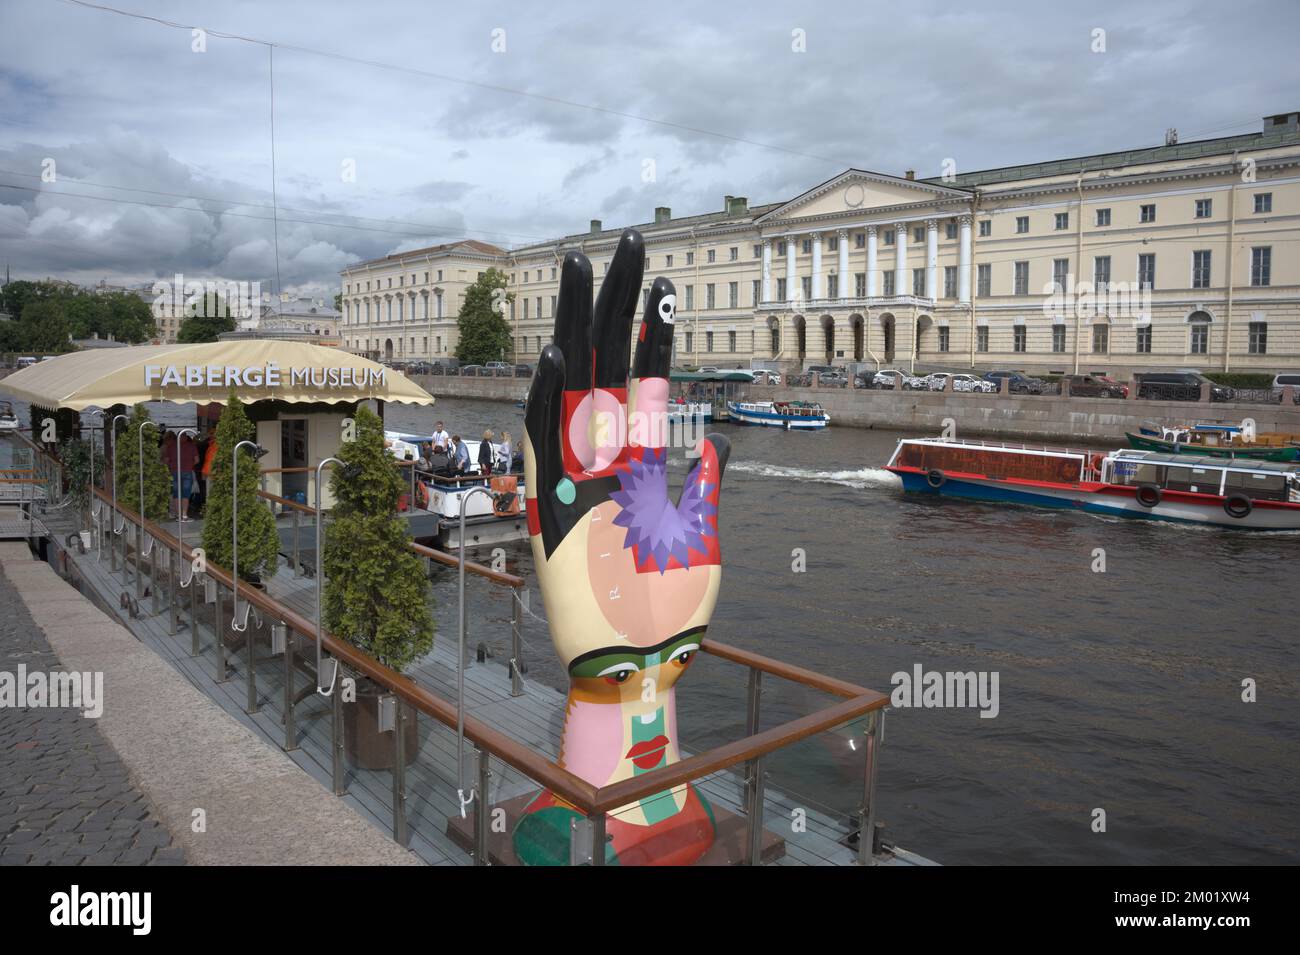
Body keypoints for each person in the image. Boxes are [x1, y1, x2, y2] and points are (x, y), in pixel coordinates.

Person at [163, 430, 200, 522]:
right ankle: (184, 515)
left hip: (174, 472)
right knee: (186, 494)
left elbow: (166, 460)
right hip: (187, 471)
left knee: (176, 493)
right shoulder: (191, 446)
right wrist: (189, 464)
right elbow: (197, 460)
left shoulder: (171, 447)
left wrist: (171, 465)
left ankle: (178, 515)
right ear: (186, 437)